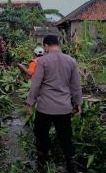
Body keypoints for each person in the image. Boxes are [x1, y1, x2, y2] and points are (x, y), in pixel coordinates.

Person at [25, 35, 82, 173]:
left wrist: (29, 103)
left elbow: (35, 85)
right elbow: (76, 86)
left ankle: (42, 163)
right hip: (63, 108)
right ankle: (71, 164)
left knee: (41, 134)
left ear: (45, 46)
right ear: (58, 44)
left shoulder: (43, 61)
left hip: (45, 108)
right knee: (65, 136)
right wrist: (78, 103)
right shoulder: (71, 61)